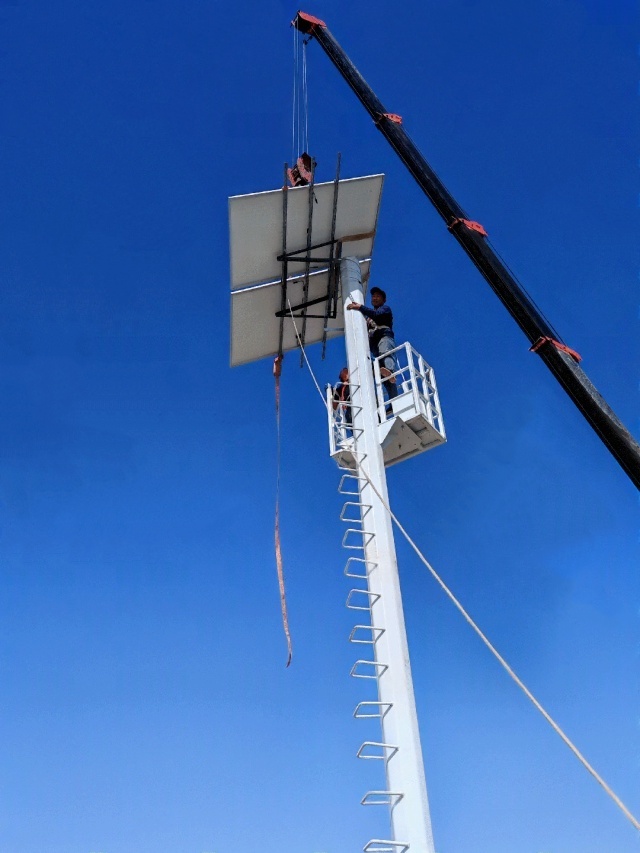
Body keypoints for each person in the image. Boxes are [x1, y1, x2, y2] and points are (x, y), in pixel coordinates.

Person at [346, 287, 399, 404]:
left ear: (383, 300)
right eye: (373, 296)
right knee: (384, 378)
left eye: (377, 296)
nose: (374, 298)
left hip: (384, 337)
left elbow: (377, 314)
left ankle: (389, 370)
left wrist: (360, 307)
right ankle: (393, 402)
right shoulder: (368, 318)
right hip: (375, 347)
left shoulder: (385, 309)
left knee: (386, 354)